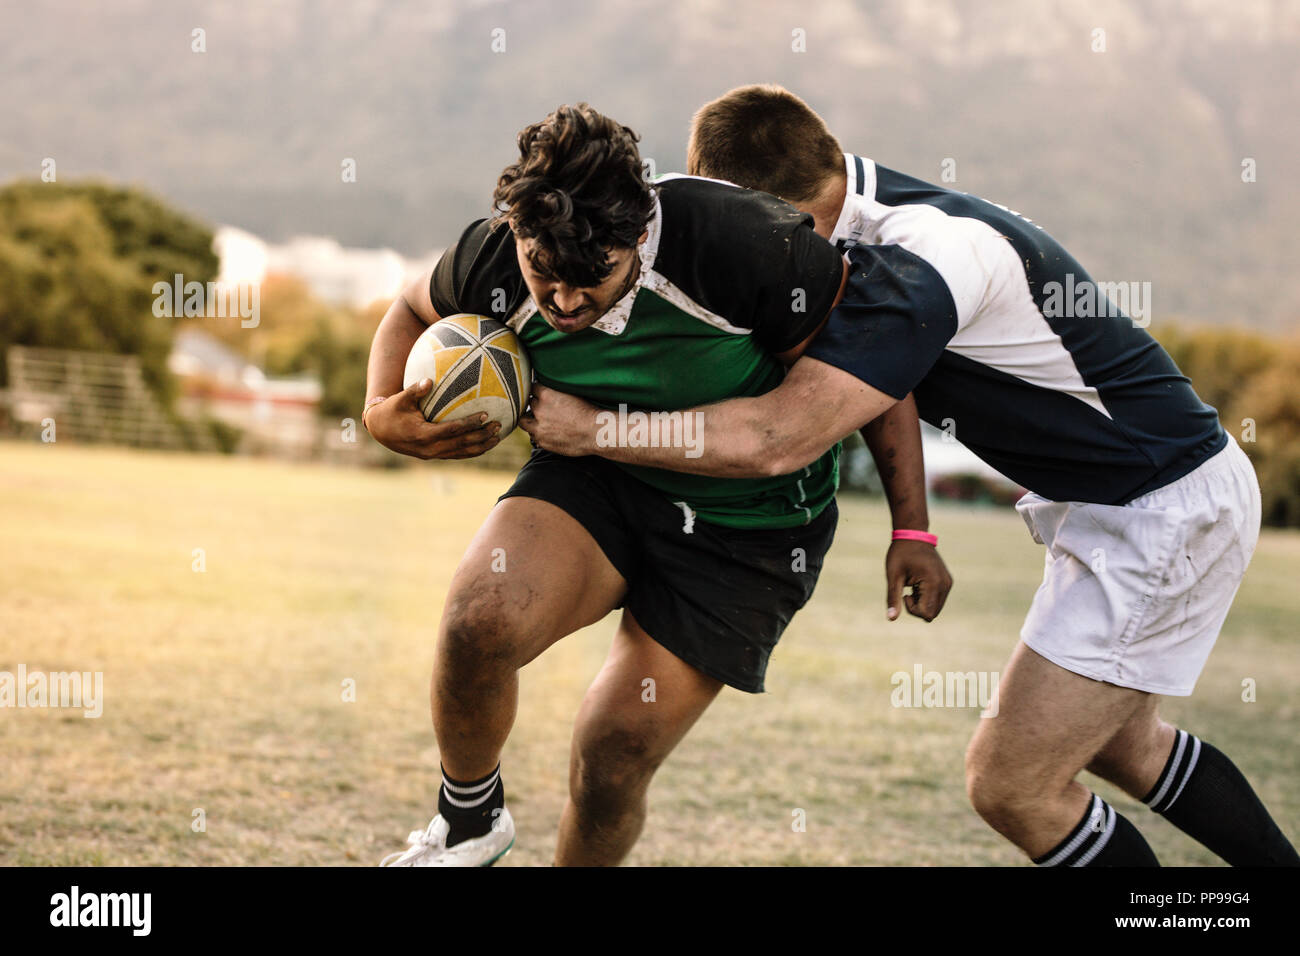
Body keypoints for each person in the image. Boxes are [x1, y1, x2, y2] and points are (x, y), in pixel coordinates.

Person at [522, 85, 1299, 866]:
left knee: (1013, 785)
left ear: (748, 202)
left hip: (1159, 508)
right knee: (1124, 746)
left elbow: (777, 438)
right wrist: (913, 526)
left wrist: (593, 430)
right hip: (1133, 500)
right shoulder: (866, 227)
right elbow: (899, 382)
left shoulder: (923, 253)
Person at [362, 102, 950, 866]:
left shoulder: (747, 246)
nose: (565, 303)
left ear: (639, 233)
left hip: (749, 528)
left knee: (610, 754)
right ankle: (469, 823)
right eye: (546, 275)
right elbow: (410, 308)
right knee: (478, 620)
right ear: (517, 232)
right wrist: (380, 415)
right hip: (598, 479)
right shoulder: (498, 255)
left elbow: (878, 368)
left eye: (591, 279)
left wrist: (913, 529)